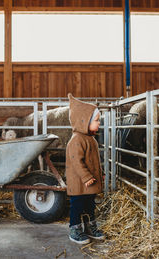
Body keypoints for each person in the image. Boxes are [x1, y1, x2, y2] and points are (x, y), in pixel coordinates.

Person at [66, 93, 105, 244]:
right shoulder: (77, 140)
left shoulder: (90, 139)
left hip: (89, 183)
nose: (99, 123)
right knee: (77, 205)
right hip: (80, 183)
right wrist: (87, 177)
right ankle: (75, 229)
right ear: (83, 121)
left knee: (90, 204)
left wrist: (99, 175)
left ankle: (90, 226)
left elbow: (94, 162)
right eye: (96, 120)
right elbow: (77, 162)